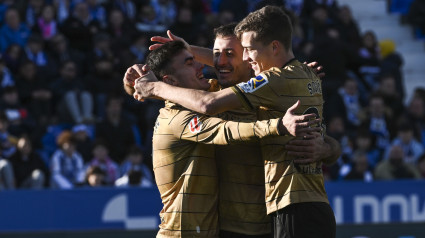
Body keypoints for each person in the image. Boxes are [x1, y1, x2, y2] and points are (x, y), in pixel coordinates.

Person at [129, 6, 338, 238]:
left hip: (271, 222)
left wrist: (325, 147)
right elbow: (168, 91)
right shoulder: (210, 90)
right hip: (227, 228)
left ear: (249, 57)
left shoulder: (266, 92)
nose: (218, 62)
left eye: (233, 53)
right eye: (215, 53)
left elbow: (325, 141)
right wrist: (136, 81)